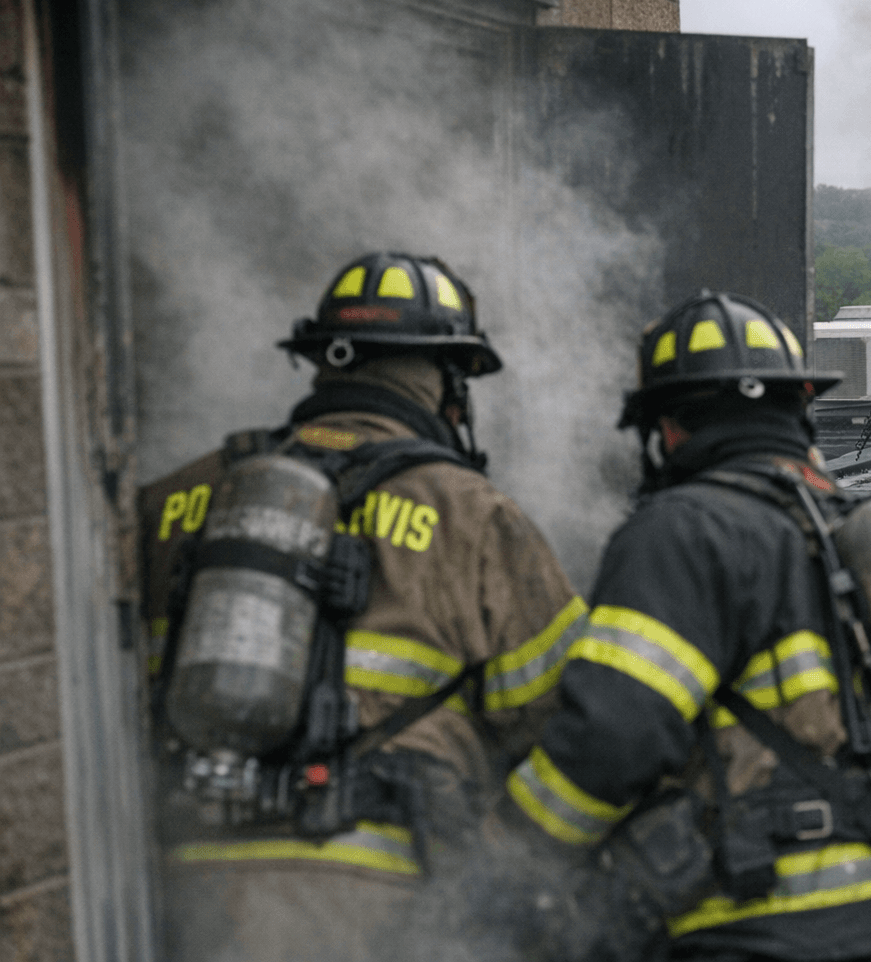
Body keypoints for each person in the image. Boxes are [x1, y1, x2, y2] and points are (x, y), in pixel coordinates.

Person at [496, 291, 871, 962]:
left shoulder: (685, 527)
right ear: (797, 406)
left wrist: (505, 853)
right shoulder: (862, 528)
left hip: (790, 930)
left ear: (667, 429)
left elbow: (614, 736)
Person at [138, 251, 585, 962]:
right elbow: (563, 718)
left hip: (194, 881)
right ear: (447, 384)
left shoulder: (173, 502)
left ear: (325, 365)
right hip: (386, 896)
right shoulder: (477, 518)